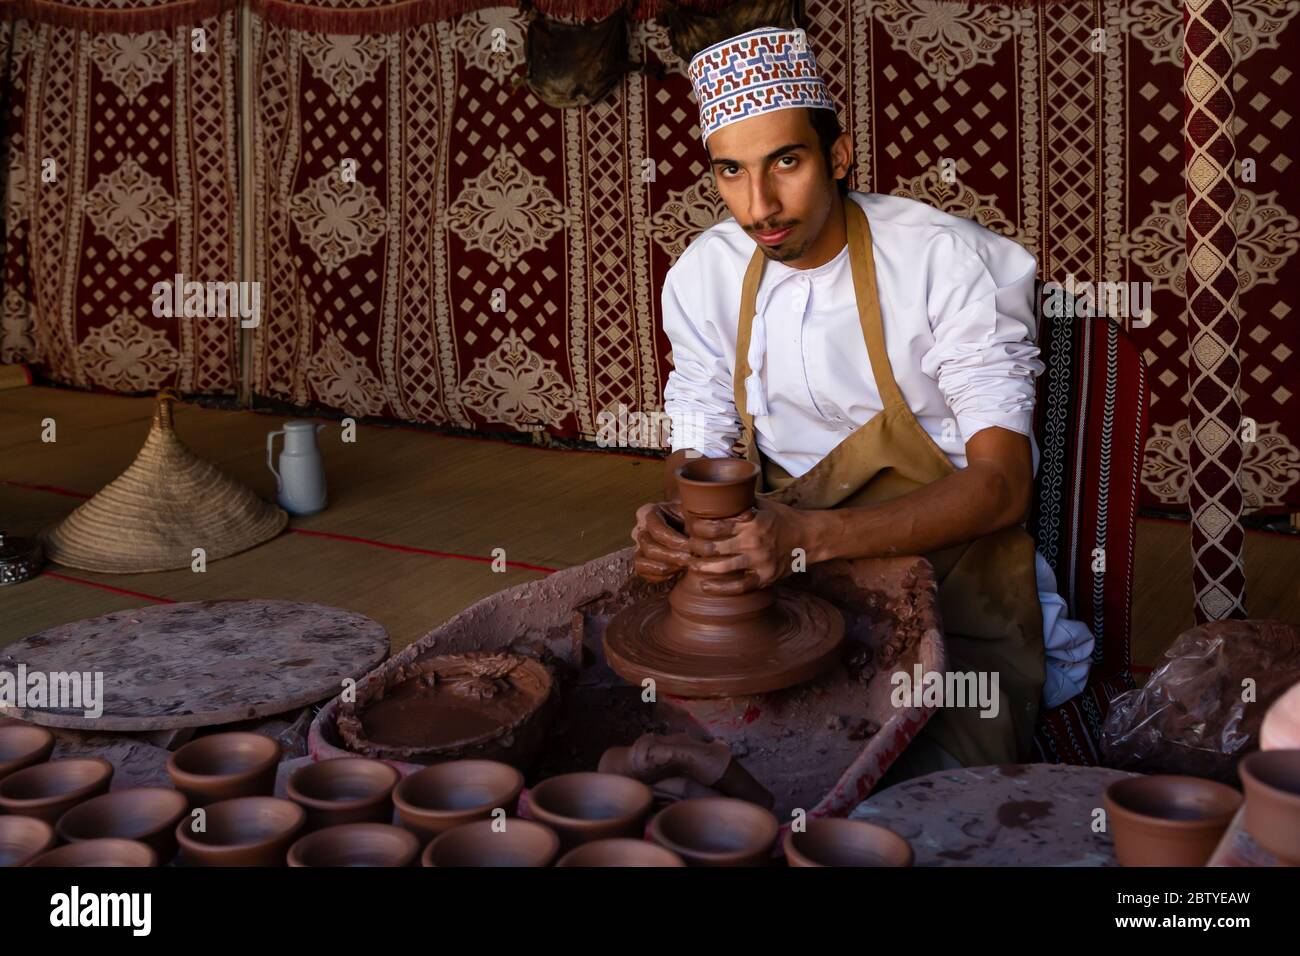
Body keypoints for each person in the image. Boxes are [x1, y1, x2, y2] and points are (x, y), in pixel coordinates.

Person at [630, 26, 1094, 777]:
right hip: (787, 584)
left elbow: (1003, 487)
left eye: (787, 161)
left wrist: (807, 535)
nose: (760, 204)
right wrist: (686, 513)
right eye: (731, 173)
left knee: (898, 787)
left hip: (952, 590)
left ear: (838, 156)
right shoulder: (702, 275)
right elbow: (698, 432)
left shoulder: (944, 264)